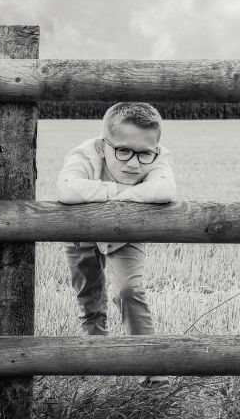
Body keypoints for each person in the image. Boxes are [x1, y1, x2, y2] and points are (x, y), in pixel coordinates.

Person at [56, 102, 176, 388]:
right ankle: (98, 360)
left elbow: (165, 189)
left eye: (144, 153)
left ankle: (152, 370)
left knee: (129, 290)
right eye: (122, 150)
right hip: (81, 228)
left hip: (126, 232)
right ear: (102, 147)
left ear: (155, 149)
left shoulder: (158, 157)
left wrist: (105, 196)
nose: (133, 163)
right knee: (89, 295)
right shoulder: (86, 153)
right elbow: (66, 187)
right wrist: (124, 191)